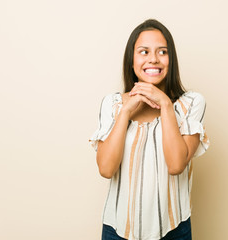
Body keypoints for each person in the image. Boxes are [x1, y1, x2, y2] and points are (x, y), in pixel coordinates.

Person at [90, 19, 210, 240]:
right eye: (144, 51)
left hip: (174, 230)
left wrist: (165, 104)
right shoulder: (112, 104)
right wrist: (126, 112)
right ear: (132, 60)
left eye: (162, 52)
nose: (153, 59)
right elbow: (106, 169)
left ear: (171, 60)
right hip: (118, 230)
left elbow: (176, 165)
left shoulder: (191, 103)